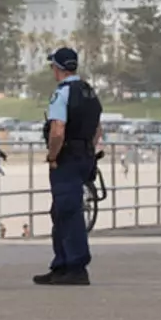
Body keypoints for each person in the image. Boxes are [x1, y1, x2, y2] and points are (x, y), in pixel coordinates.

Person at [34, 47, 102, 286]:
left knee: (68, 211)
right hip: (84, 156)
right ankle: (61, 264)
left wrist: (53, 155)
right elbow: (97, 130)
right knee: (62, 210)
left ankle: (74, 265)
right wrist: (88, 150)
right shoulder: (89, 92)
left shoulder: (62, 94)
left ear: (58, 68)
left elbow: (57, 130)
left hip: (68, 158)